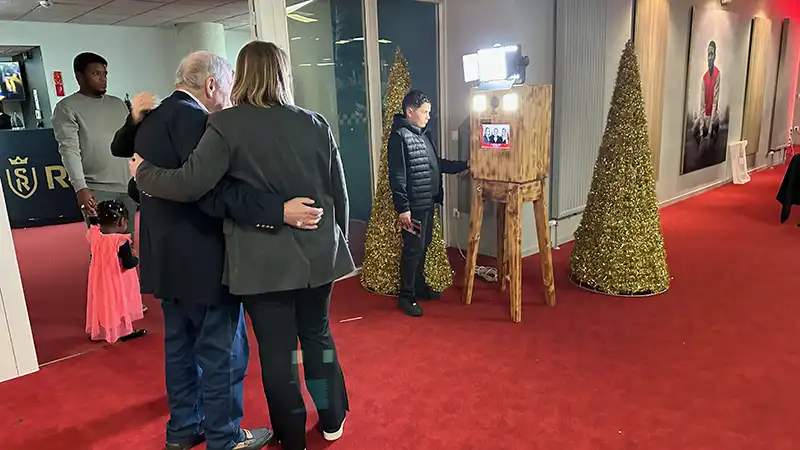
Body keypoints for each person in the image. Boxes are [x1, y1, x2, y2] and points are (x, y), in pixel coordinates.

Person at [133, 41, 353, 450]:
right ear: (284, 74)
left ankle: (291, 433)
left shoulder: (224, 125)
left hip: (260, 263)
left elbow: (190, 185)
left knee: (278, 354)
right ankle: (331, 417)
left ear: (242, 75)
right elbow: (340, 196)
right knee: (318, 340)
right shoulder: (315, 123)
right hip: (317, 256)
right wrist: (333, 242)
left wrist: (144, 175)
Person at [388, 89, 469, 317]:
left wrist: (463, 165)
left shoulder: (424, 135)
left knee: (422, 248)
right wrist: (403, 208)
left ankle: (418, 286)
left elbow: (436, 164)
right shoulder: (399, 137)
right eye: (424, 112)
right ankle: (406, 297)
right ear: (409, 112)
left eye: (429, 112)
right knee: (412, 250)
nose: (428, 116)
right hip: (413, 208)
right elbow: (397, 176)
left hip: (427, 203)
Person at [52, 53, 137, 243]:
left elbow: (131, 142)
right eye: (96, 73)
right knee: (103, 247)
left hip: (127, 186)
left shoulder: (118, 104)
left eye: (105, 74)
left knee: (127, 244)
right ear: (79, 76)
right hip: (97, 190)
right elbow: (69, 150)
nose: (103, 78)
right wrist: (81, 188)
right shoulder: (67, 108)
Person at [86, 200, 146, 343]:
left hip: (101, 280)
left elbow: (94, 225)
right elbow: (128, 263)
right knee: (121, 303)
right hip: (119, 281)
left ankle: (102, 331)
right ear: (122, 222)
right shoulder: (121, 241)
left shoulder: (96, 235)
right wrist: (136, 258)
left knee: (106, 304)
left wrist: (93, 217)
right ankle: (125, 331)